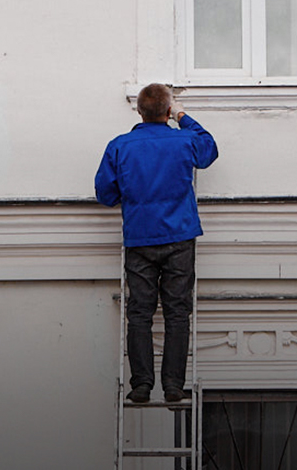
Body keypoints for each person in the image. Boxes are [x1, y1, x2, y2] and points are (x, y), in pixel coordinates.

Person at [94, 83, 218, 403]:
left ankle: (142, 385)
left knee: (139, 313)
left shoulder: (120, 146)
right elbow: (210, 148)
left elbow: (105, 195)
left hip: (140, 237)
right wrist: (182, 115)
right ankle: (174, 385)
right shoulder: (185, 139)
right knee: (177, 313)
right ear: (166, 112)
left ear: (138, 111)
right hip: (179, 235)